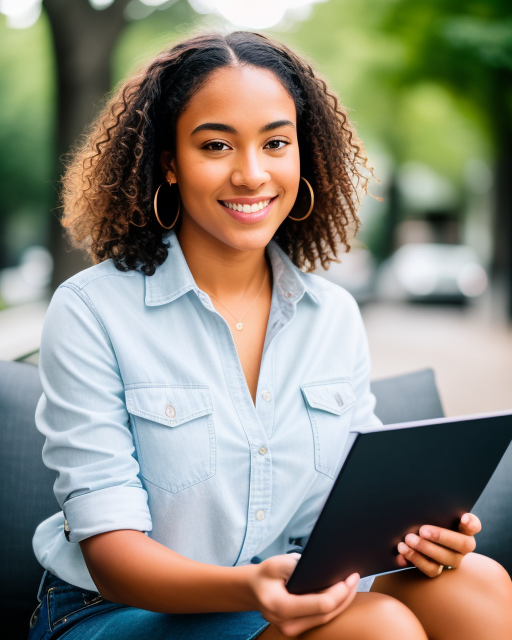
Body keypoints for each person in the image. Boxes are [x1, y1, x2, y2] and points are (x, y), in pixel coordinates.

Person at [29, 31, 512, 640]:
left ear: (302, 155)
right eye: (215, 146)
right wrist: (251, 589)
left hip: (283, 587)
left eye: (276, 143)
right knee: (378, 626)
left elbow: (352, 504)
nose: (251, 174)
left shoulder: (331, 314)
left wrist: (420, 536)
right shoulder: (91, 311)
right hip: (120, 611)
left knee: (478, 583)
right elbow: (112, 556)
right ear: (169, 163)